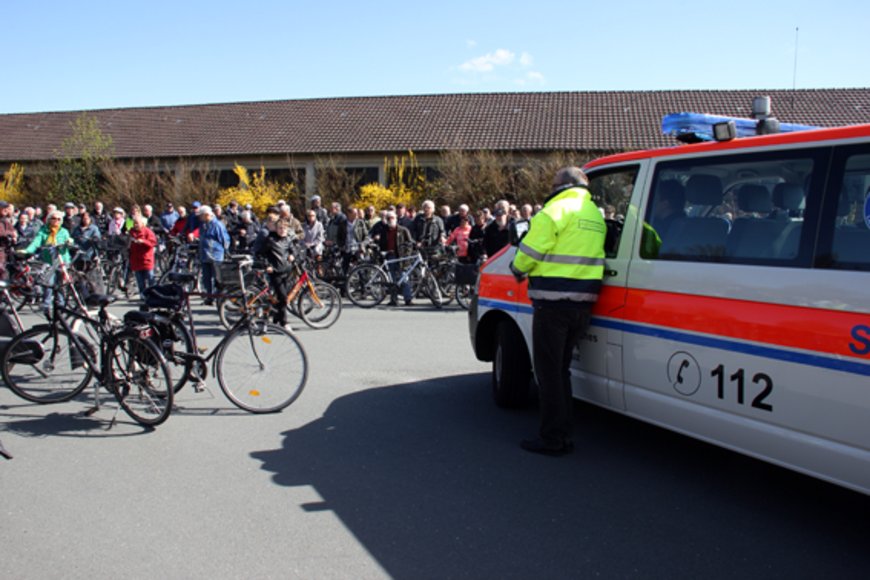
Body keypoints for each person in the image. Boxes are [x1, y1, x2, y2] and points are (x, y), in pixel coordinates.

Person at [510, 167, 607, 456]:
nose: (550, 189)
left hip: (553, 304)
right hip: (584, 303)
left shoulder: (554, 211)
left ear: (562, 186)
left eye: (553, 185)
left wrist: (517, 268)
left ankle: (552, 438)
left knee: (549, 373)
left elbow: (529, 252)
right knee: (561, 372)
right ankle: (563, 433)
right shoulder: (594, 215)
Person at [23, 210, 73, 314]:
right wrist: (27, 251)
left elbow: (69, 240)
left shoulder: (63, 231)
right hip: (48, 261)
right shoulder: (43, 231)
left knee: (61, 284)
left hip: (62, 260)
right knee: (48, 283)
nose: (56, 221)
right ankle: (46, 304)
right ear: (49, 219)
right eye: (54, 218)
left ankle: (61, 304)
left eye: (59, 219)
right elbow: (36, 242)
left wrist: (69, 242)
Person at [255, 218, 295, 330]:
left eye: (285, 228)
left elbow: (292, 250)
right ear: (276, 229)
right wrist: (267, 265)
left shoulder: (288, 239)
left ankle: (275, 319)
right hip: (275, 272)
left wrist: (292, 255)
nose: (282, 230)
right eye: (280, 228)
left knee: (280, 298)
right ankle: (284, 322)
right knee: (283, 298)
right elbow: (260, 254)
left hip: (287, 271)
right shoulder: (270, 240)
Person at [372, 210, 414, 306]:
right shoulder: (384, 231)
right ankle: (393, 299)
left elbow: (410, 244)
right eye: (388, 218)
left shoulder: (403, 230)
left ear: (396, 218)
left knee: (404, 278)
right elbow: (382, 244)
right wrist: (384, 252)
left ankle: (408, 299)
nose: (390, 220)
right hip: (390, 257)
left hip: (401, 257)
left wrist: (406, 255)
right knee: (392, 279)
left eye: (392, 218)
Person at [196, 205, 230, 305]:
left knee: (217, 279)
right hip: (205, 256)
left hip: (215, 256)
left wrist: (226, 251)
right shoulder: (204, 225)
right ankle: (209, 297)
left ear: (207, 215)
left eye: (201, 215)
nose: (200, 218)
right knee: (206, 278)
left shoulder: (217, 225)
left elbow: (224, 239)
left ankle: (219, 298)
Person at [128, 215, 158, 296]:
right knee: (140, 281)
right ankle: (143, 295)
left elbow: (153, 243)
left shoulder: (148, 232)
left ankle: (154, 295)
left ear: (142, 223)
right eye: (134, 223)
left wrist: (143, 241)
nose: (135, 225)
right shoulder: (131, 232)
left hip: (146, 260)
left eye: (137, 223)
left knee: (150, 279)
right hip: (136, 261)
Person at [0, 201, 17, 280]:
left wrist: (15, 236)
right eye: (4, 208)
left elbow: (13, 231)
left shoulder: (5, 221)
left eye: (7, 208)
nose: (6, 210)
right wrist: (10, 233)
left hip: (5, 251)